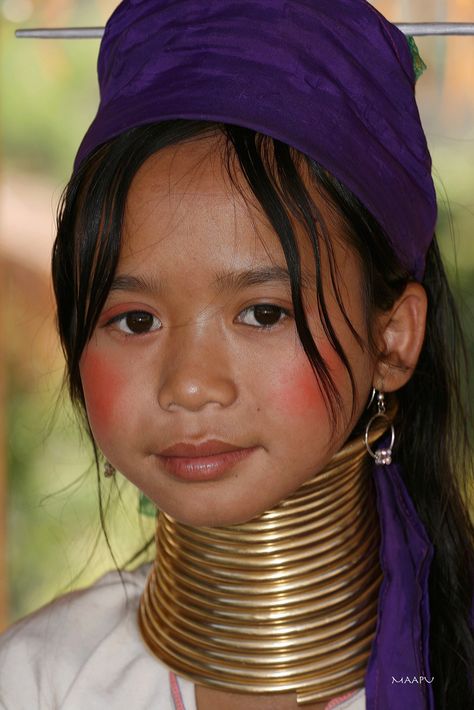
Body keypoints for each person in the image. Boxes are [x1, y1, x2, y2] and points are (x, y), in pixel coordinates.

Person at [1, 1, 473, 708]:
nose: (190, 387)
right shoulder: (41, 682)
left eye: (261, 313)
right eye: (135, 319)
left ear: (392, 339)